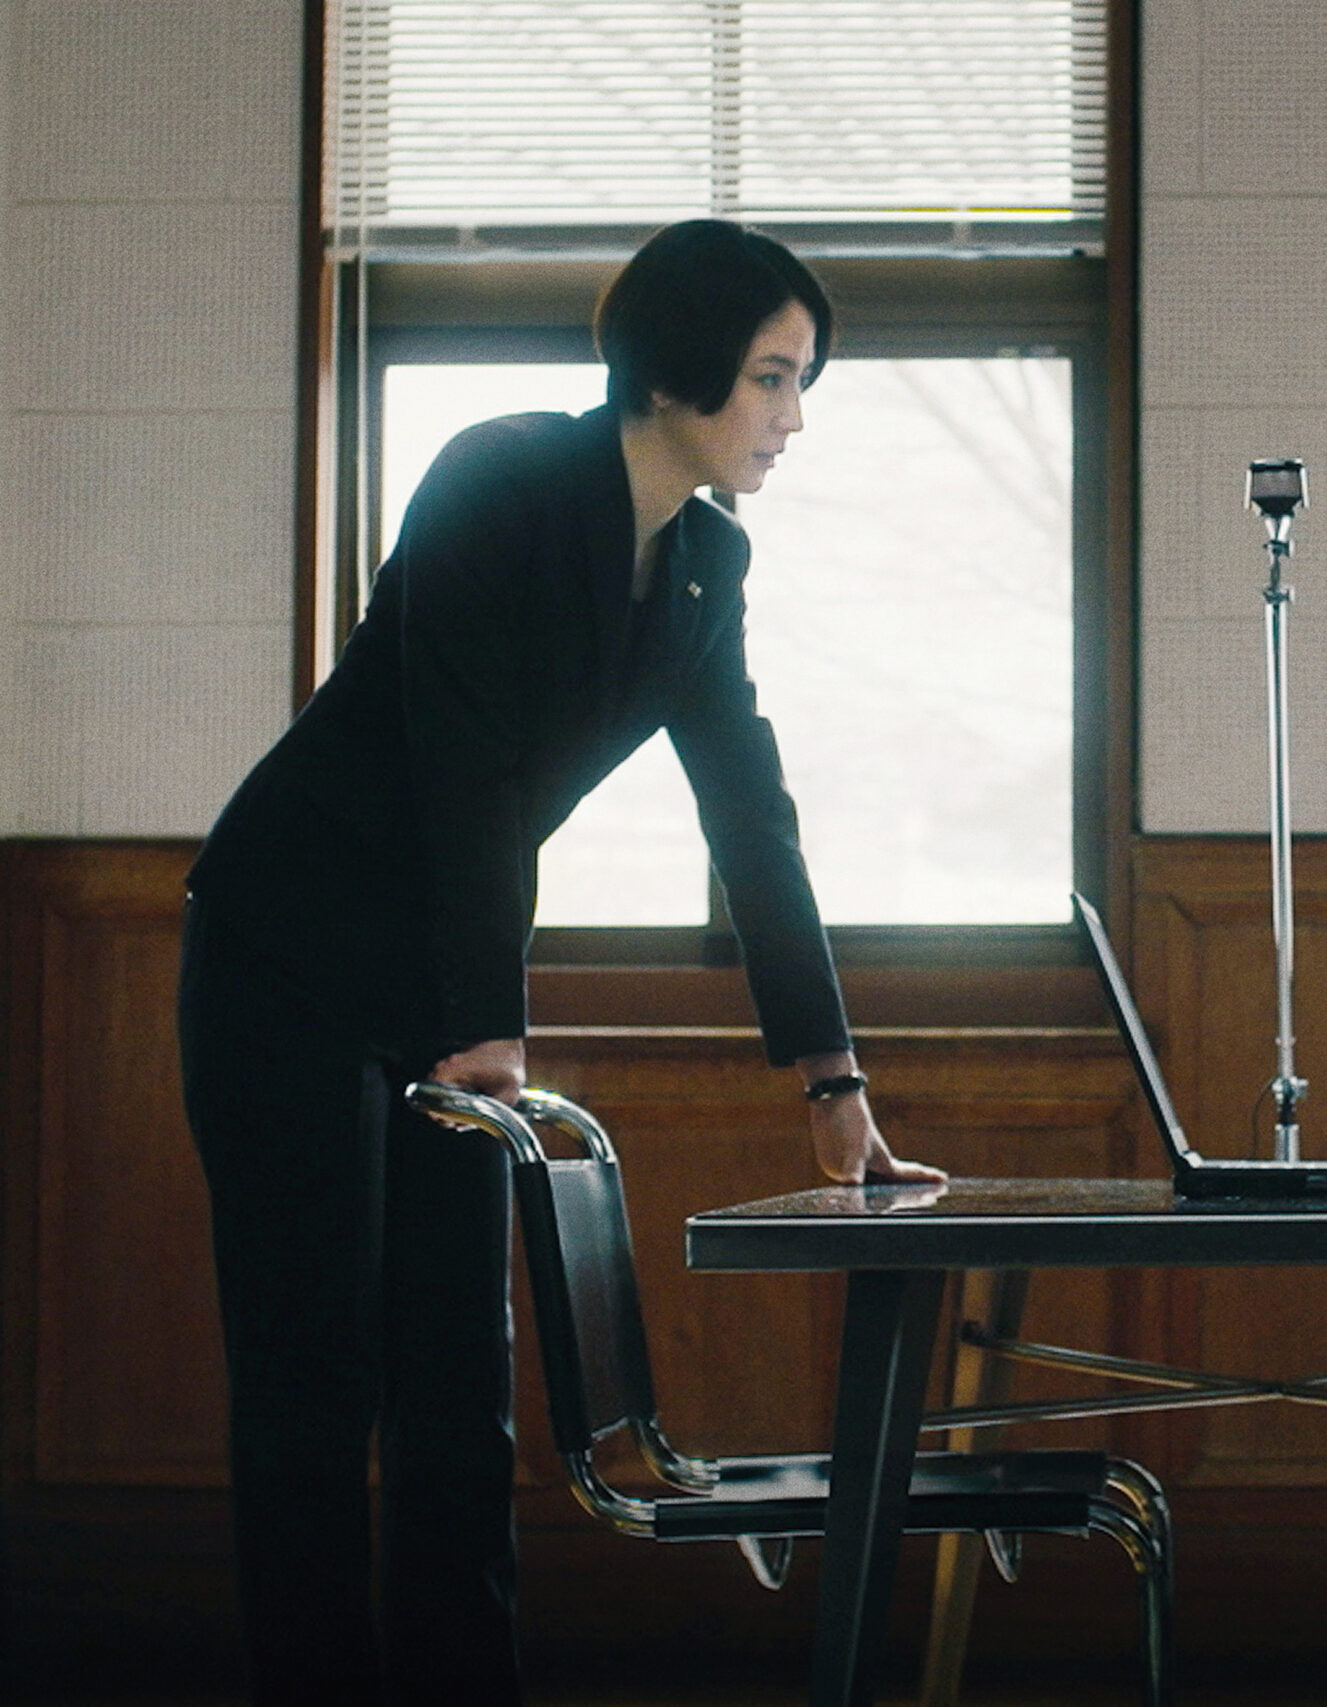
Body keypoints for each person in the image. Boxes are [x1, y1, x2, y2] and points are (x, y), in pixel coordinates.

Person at [178, 218, 942, 1707]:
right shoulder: (500, 476)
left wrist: (832, 1073)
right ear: (675, 369)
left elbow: (750, 808)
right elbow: (460, 760)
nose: (795, 417)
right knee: (316, 1386)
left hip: (436, 981)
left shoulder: (708, 561)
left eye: (804, 381)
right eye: (773, 377)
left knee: (461, 1389)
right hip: (289, 956)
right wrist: (489, 1022)